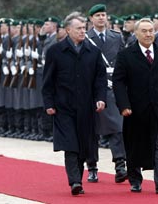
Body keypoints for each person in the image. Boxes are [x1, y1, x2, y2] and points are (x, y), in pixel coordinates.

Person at [112, 18, 158, 194]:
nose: (148, 34)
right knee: (135, 144)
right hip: (135, 109)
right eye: (144, 31)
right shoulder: (126, 55)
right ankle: (135, 179)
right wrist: (123, 105)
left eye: (151, 31)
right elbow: (118, 82)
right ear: (136, 33)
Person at [42, 11, 107, 196]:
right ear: (68, 30)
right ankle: (75, 181)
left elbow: (100, 79)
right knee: (70, 144)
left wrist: (100, 98)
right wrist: (48, 103)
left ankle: (77, 178)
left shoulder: (93, 52)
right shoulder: (55, 52)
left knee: (83, 145)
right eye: (78, 28)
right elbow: (48, 81)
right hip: (63, 107)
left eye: (84, 28)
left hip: (86, 108)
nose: (82, 31)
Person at [85, 4, 128, 184]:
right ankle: (92, 167)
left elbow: (123, 60)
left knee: (116, 127)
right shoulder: (86, 38)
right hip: (92, 86)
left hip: (111, 86)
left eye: (103, 15)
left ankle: (120, 165)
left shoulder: (116, 37)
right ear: (91, 20)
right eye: (97, 15)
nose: (101, 18)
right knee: (91, 130)